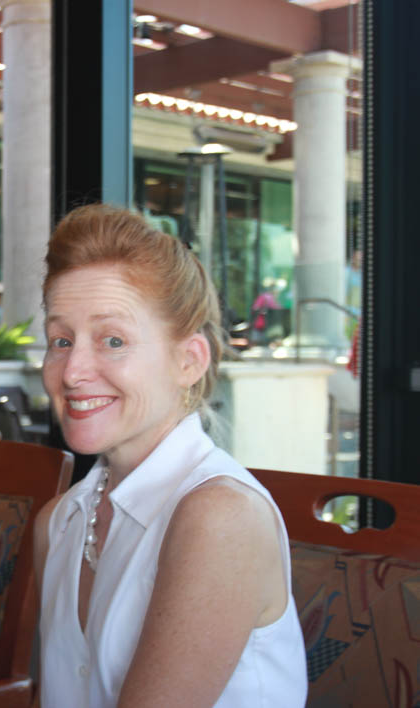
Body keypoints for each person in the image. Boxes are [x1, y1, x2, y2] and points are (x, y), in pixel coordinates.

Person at [34, 204, 307, 707]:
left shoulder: (221, 518)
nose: (72, 371)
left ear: (188, 360)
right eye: (60, 340)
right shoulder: (59, 522)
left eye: (112, 340)